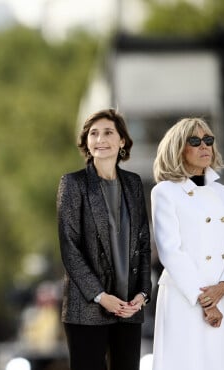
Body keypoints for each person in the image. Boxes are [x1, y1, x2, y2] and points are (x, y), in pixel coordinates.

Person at [56, 108, 152, 370]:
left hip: (129, 308)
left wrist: (142, 294)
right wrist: (100, 296)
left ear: (122, 141)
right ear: (86, 142)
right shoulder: (73, 184)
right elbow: (70, 248)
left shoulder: (133, 184)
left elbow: (143, 243)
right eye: (93, 134)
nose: (100, 139)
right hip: (87, 310)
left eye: (108, 132)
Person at [150, 118, 224, 370]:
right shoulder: (165, 192)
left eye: (208, 140)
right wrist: (205, 300)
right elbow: (170, 251)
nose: (204, 146)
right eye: (195, 140)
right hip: (186, 297)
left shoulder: (223, 192)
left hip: (221, 296)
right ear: (179, 148)